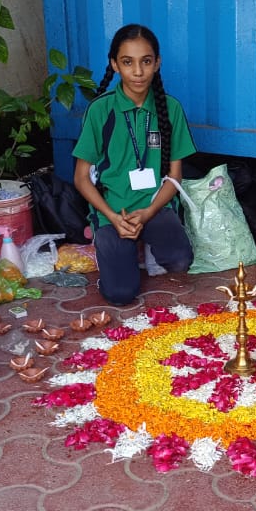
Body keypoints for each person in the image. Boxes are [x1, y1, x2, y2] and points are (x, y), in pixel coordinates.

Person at [73, 23, 196, 305]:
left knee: (180, 260)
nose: (138, 72)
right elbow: (81, 178)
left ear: (157, 63)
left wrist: (148, 212)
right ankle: (115, 247)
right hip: (111, 211)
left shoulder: (171, 108)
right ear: (115, 65)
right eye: (128, 62)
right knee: (120, 294)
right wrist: (114, 217)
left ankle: (145, 245)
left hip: (154, 205)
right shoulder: (100, 110)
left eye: (146, 61)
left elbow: (175, 175)